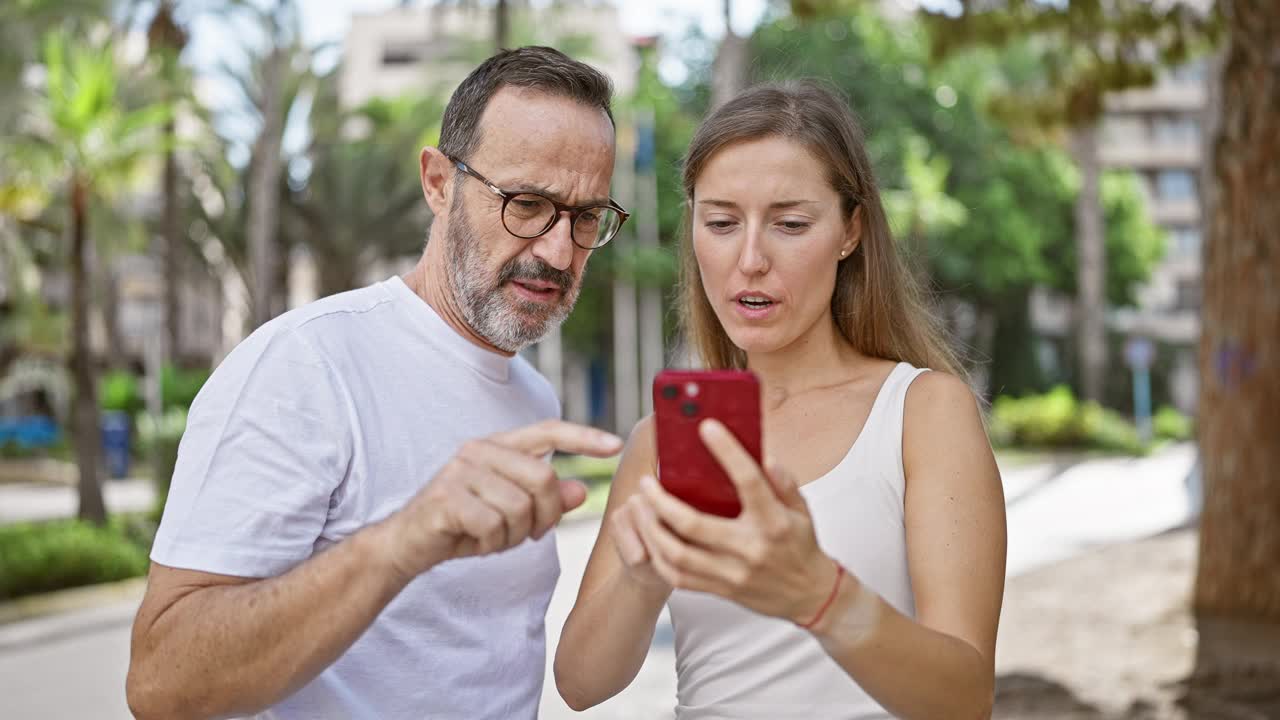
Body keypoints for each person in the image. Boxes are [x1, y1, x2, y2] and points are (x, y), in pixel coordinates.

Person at [126, 46, 630, 720]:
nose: (559, 250)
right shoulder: (304, 365)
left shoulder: (532, 396)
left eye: (586, 216)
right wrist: (406, 538)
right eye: (527, 203)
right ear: (438, 182)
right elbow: (161, 683)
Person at [555, 81, 1007, 719]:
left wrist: (819, 595)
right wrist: (642, 573)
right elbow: (578, 684)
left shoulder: (922, 413)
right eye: (720, 223)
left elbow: (965, 700)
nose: (750, 259)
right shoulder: (662, 441)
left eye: (790, 224)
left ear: (850, 231)